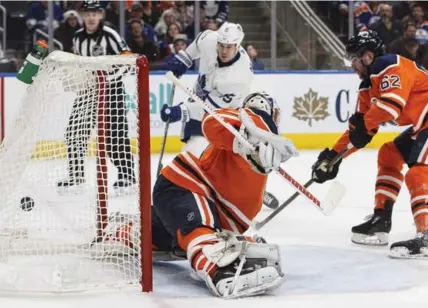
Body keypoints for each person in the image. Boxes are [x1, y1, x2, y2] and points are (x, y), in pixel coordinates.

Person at [105, 92, 297, 298]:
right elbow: (211, 122)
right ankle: (217, 269)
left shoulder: (271, 150)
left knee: (158, 235)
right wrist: (245, 137)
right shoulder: (235, 124)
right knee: (198, 227)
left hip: (204, 212)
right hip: (185, 188)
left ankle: (123, 231)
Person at [311, 30, 428, 259]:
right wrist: (332, 158)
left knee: (419, 174)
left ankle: (427, 235)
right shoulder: (366, 87)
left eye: (354, 59)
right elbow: (360, 132)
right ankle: (381, 220)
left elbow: (391, 107)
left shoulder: (389, 64)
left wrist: (363, 124)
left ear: (368, 56)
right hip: (426, 121)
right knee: (388, 154)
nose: (352, 65)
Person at [58, 0, 136, 191]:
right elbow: (78, 62)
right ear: (83, 16)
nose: (91, 17)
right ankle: (76, 175)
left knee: (114, 136)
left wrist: (107, 80)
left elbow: (128, 59)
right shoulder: (77, 38)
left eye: (95, 14)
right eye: (88, 14)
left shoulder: (110, 35)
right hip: (88, 92)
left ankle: (127, 176)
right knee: (74, 131)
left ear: (101, 15)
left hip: (112, 92)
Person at [160, 21, 253, 158]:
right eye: (221, 45)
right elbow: (199, 41)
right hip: (198, 101)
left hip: (223, 115)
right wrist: (186, 58)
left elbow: (208, 110)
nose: (224, 51)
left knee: (198, 156)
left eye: (228, 47)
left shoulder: (238, 78)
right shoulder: (211, 40)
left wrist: (180, 111)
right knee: (191, 155)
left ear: (237, 46)